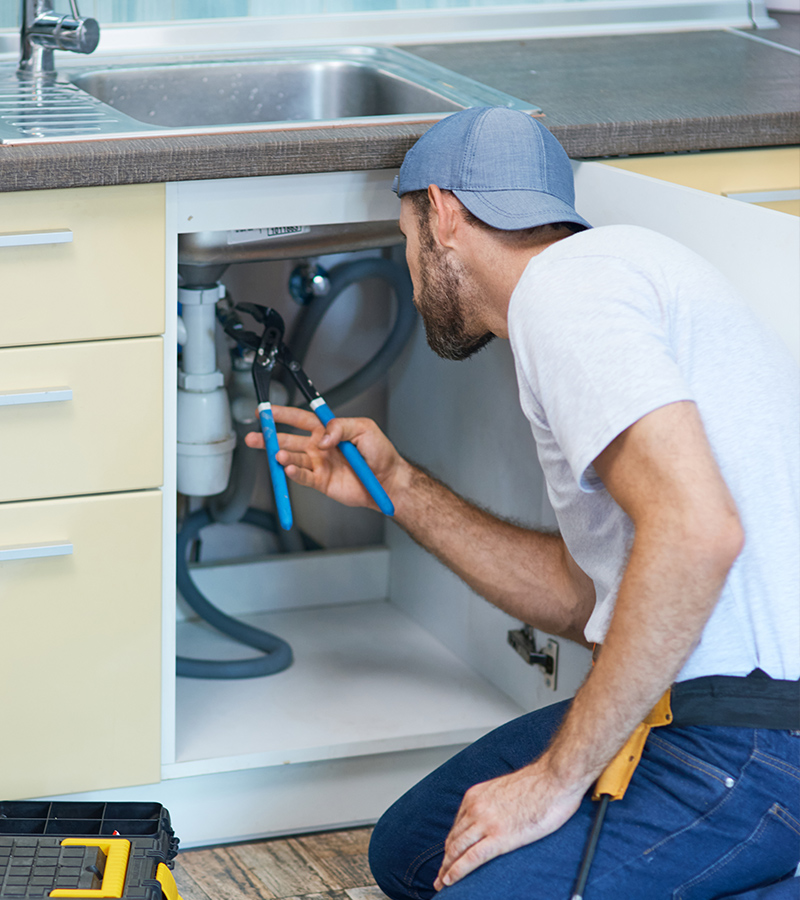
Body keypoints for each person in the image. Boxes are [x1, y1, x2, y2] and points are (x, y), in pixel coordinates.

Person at [246, 107, 800, 898]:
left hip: (745, 742)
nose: (408, 268)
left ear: (442, 213)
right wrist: (400, 490)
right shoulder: (599, 285)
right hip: (686, 711)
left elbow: (699, 533)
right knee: (413, 852)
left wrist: (553, 781)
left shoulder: (566, 290)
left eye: (404, 238)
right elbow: (594, 601)